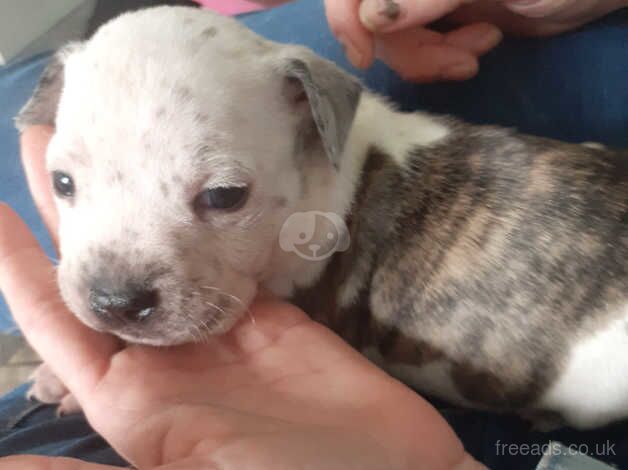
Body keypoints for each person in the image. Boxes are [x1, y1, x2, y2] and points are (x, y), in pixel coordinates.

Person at [0, 0, 626, 468]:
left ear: (311, 111)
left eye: (218, 195)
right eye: (67, 183)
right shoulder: (278, 128)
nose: (110, 288)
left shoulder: (320, 228)